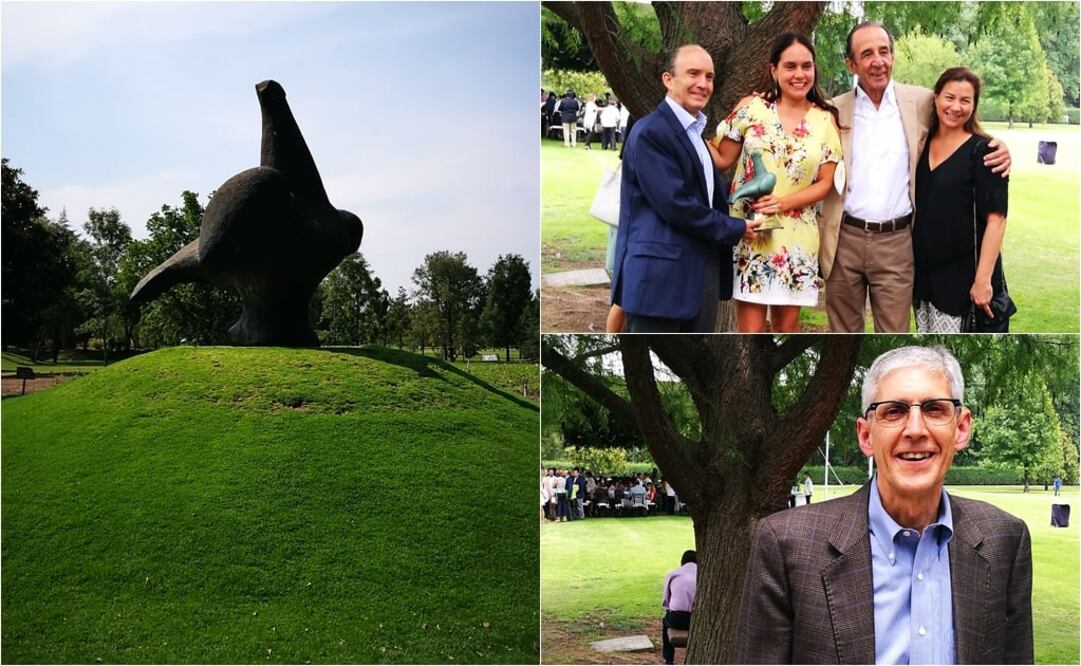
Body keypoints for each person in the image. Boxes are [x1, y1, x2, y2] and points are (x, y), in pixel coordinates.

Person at [735, 346, 1032, 664]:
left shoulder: (1005, 540)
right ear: (866, 436)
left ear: (961, 428)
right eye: (894, 411)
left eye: (934, 409)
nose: (915, 430)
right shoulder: (787, 546)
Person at [819, 22, 1011, 333]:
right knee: (842, 333)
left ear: (893, 56)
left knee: (893, 332)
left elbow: (959, 115)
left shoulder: (920, 101)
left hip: (897, 242)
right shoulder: (831, 111)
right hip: (843, 238)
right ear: (851, 64)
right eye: (867, 54)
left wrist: (998, 146)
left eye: (884, 51)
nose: (878, 61)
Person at [610, 44, 756, 333]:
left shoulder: (694, 134)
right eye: (693, 73)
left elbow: (704, 192)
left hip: (698, 280)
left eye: (709, 77)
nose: (703, 84)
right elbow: (676, 205)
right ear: (668, 79)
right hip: (659, 284)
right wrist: (736, 227)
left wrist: (746, 193)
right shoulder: (651, 132)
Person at [709, 33, 842, 333]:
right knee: (750, 331)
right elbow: (721, 158)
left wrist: (782, 203)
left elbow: (825, 184)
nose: (799, 74)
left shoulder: (825, 120)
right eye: (790, 66)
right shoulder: (752, 108)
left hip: (796, 238)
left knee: (786, 328)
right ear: (774, 70)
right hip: (752, 234)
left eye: (806, 66)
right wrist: (684, 130)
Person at [912, 67, 1009, 333]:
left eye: (965, 100)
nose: (956, 107)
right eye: (950, 97)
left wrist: (982, 280)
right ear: (936, 98)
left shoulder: (984, 152)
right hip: (925, 279)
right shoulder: (920, 144)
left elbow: (997, 220)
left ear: (974, 105)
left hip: (962, 282)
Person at [662, 549, 697, 665]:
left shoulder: (674, 574)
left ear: (682, 562)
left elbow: (666, 602)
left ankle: (669, 659)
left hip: (677, 619)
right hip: (698, 619)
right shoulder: (705, 574)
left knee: (665, 621)